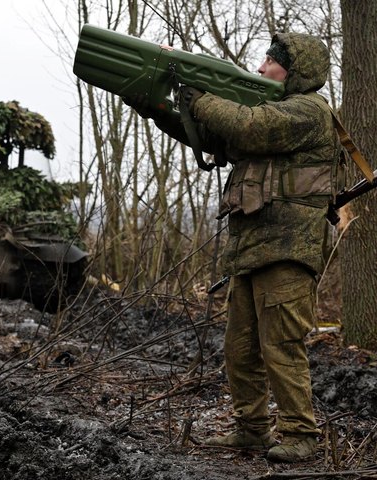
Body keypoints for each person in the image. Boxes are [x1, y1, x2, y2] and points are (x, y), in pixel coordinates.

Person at [125, 33, 340, 463]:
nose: (261, 67)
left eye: (272, 62)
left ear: (294, 72)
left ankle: (300, 434)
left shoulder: (309, 112)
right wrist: (155, 106)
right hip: (252, 248)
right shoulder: (269, 113)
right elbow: (211, 135)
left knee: (281, 345)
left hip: (289, 248)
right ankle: (252, 429)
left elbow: (247, 126)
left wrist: (201, 96)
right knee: (239, 347)